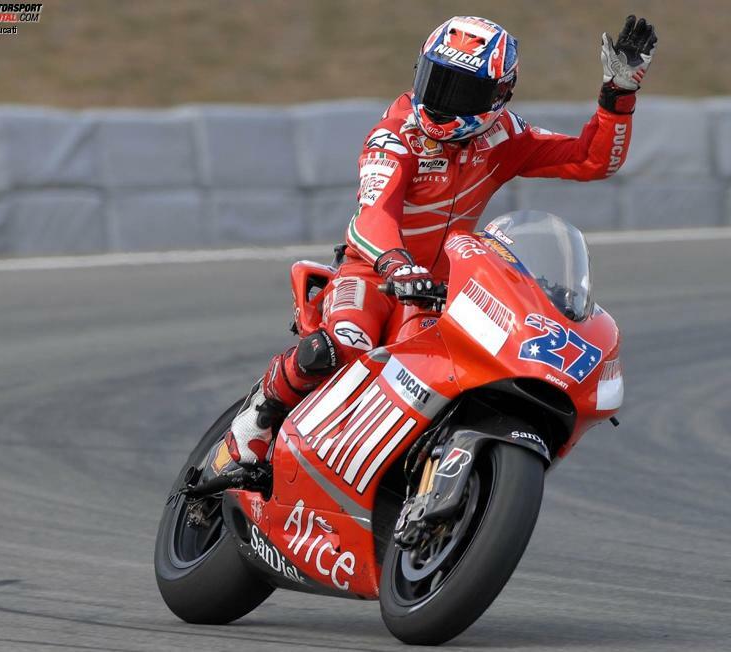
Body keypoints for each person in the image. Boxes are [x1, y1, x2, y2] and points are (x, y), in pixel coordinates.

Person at [225, 14, 658, 465]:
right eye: (436, 82)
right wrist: (396, 265)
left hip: (447, 291)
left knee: (467, 372)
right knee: (344, 341)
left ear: (498, 95)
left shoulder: (505, 136)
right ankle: (261, 411)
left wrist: (619, 95)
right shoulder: (395, 137)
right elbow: (372, 216)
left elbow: (591, 160)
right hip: (375, 274)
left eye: (463, 91)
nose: (442, 102)